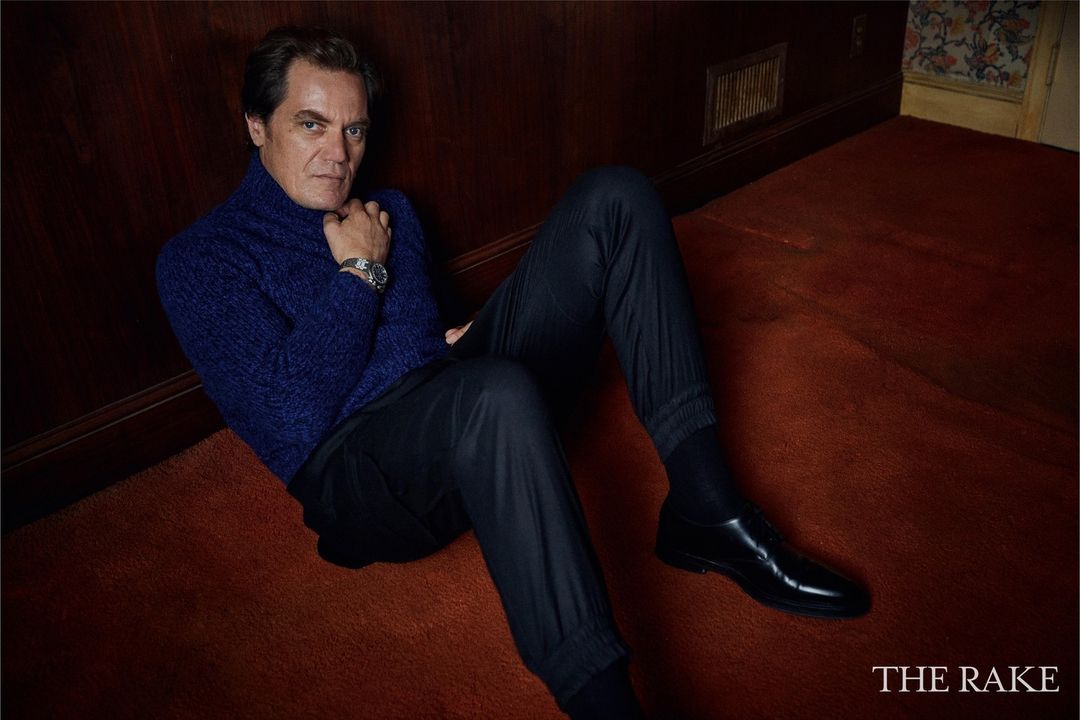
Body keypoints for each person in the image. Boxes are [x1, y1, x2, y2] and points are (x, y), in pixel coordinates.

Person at [157, 25, 869, 720]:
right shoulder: (201, 260)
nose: (338, 154)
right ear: (256, 124)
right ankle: (604, 700)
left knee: (615, 197)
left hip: (455, 398)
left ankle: (707, 510)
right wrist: (360, 272)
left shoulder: (388, 212)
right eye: (311, 124)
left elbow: (414, 340)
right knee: (489, 391)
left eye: (355, 130)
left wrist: (443, 338)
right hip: (359, 480)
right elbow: (292, 415)